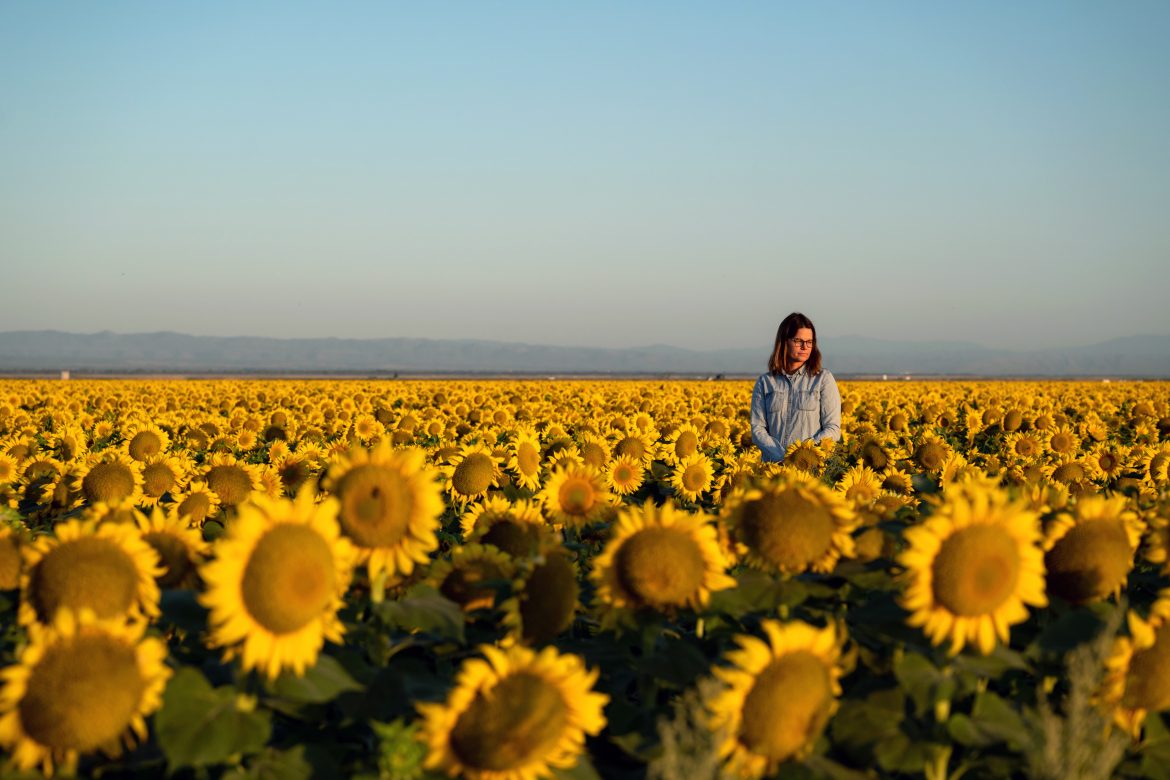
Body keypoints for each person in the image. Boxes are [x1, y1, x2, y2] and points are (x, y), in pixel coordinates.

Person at [750, 312, 841, 462]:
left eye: (809, 342)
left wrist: (802, 454)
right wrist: (782, 457)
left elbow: (833, 429)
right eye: (798, 341)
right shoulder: (765, 382)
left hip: (810, 467)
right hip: (774, 470)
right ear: (784, 342)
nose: (805, 347)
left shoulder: (823, 380)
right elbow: (757, 429)